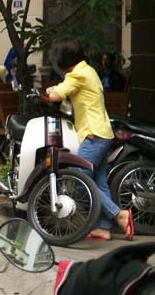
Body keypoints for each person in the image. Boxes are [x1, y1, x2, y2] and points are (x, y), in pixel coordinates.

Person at [42, 37, 133, 242]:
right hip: (102, 133)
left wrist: (50, 90)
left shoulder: (77, 74)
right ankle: (103, 228)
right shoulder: (89, 70)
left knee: (80, 178)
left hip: (93, 135)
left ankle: (120, 215)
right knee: (98, 182)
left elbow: (56, 95)